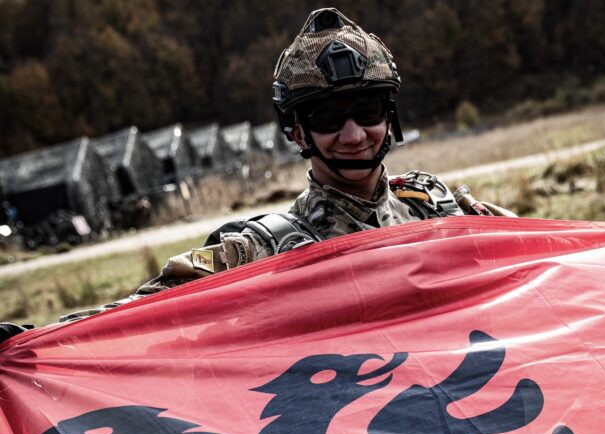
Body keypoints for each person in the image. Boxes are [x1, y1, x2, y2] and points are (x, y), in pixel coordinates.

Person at [0, 7, 507, 340]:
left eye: (368, 110)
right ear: (296, 133)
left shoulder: (436, 207)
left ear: (390, 115)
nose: (353, 134)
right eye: (328, 118)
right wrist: (32, 341)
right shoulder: (260, 250)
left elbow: (540, 271)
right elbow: (138, 315)